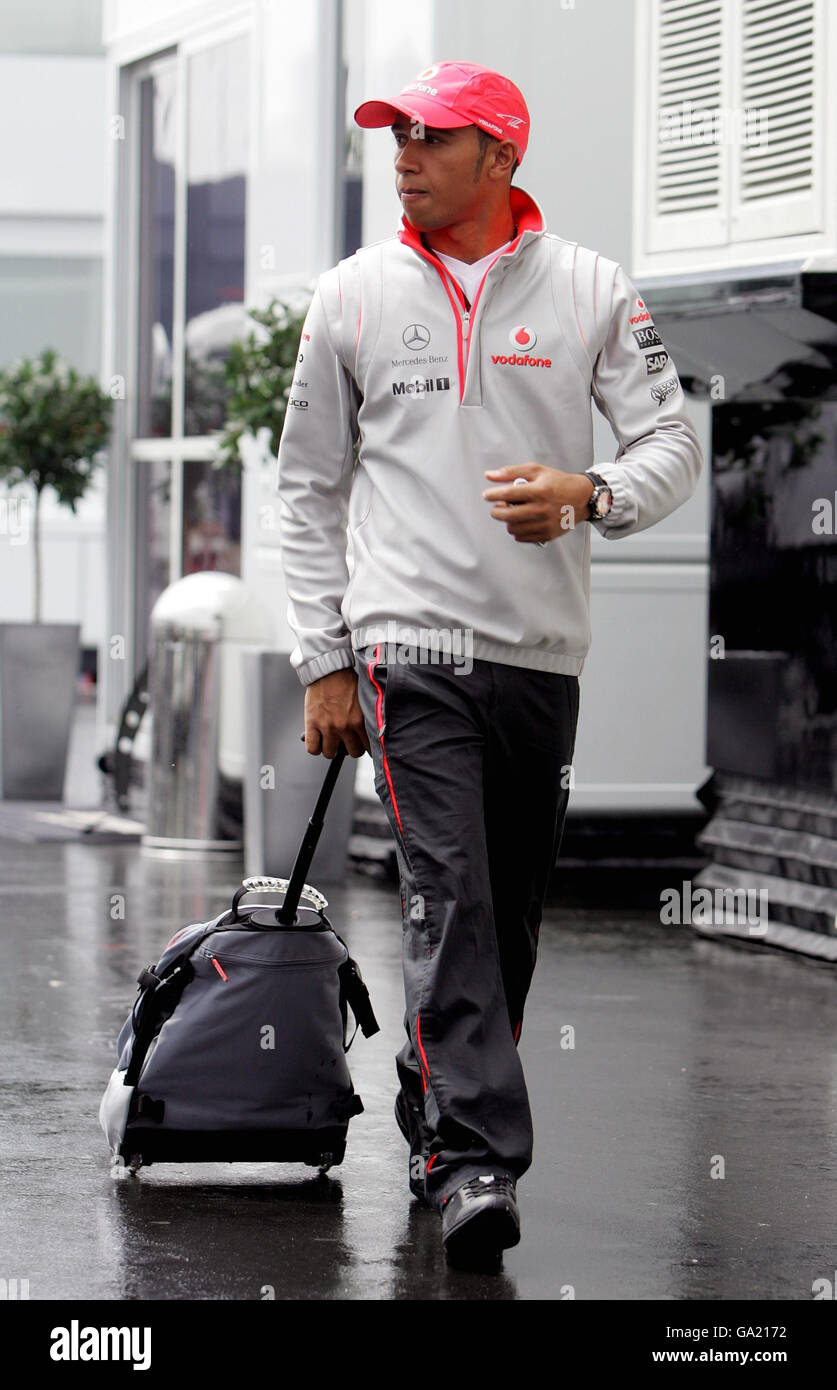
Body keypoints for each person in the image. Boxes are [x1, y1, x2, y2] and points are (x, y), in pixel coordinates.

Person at [276, 60, 702, 1267]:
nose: (403, 153)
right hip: (408, 651)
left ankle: (434, 1099)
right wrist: (325, 659)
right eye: (396, 135)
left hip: (541, 657)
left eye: (432, 137)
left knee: (505, 918)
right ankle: (473, 1160)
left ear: (501, 159)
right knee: (450, 894)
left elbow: (670, 436)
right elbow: (307, 489)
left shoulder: (592, 293)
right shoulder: (353, 296)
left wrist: (592, 492)